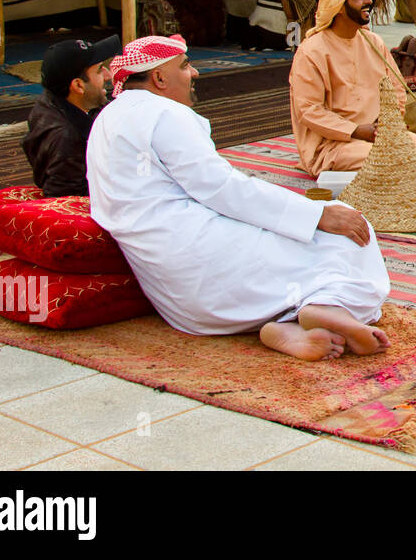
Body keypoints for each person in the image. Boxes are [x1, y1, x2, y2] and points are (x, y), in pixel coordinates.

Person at [87, 35, 392, 361]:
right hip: (207, 264)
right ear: (159, 78)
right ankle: (328, 306)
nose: (195, 73)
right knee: (347, 225)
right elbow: (223, 189)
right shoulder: (164, 113)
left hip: (180, 302)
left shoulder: (106, 118)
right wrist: (315, 215)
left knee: (314, 229)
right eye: (185, 65)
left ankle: (291, 324)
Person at [289, 0, 416, 179]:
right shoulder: (312, 51)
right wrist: (356, 130)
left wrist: (388, 121)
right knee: (390, 159)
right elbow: (309, 110)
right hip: (333, 144)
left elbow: (396, 89)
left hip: (377, 136)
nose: (369, 1)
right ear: (339, 7)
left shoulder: (373, 41)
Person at [21, 35, 120, 197]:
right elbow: (63, 199)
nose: (108, 75)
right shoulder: (68, 137)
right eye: (99, 70)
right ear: (78, 85)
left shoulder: (55, 99)